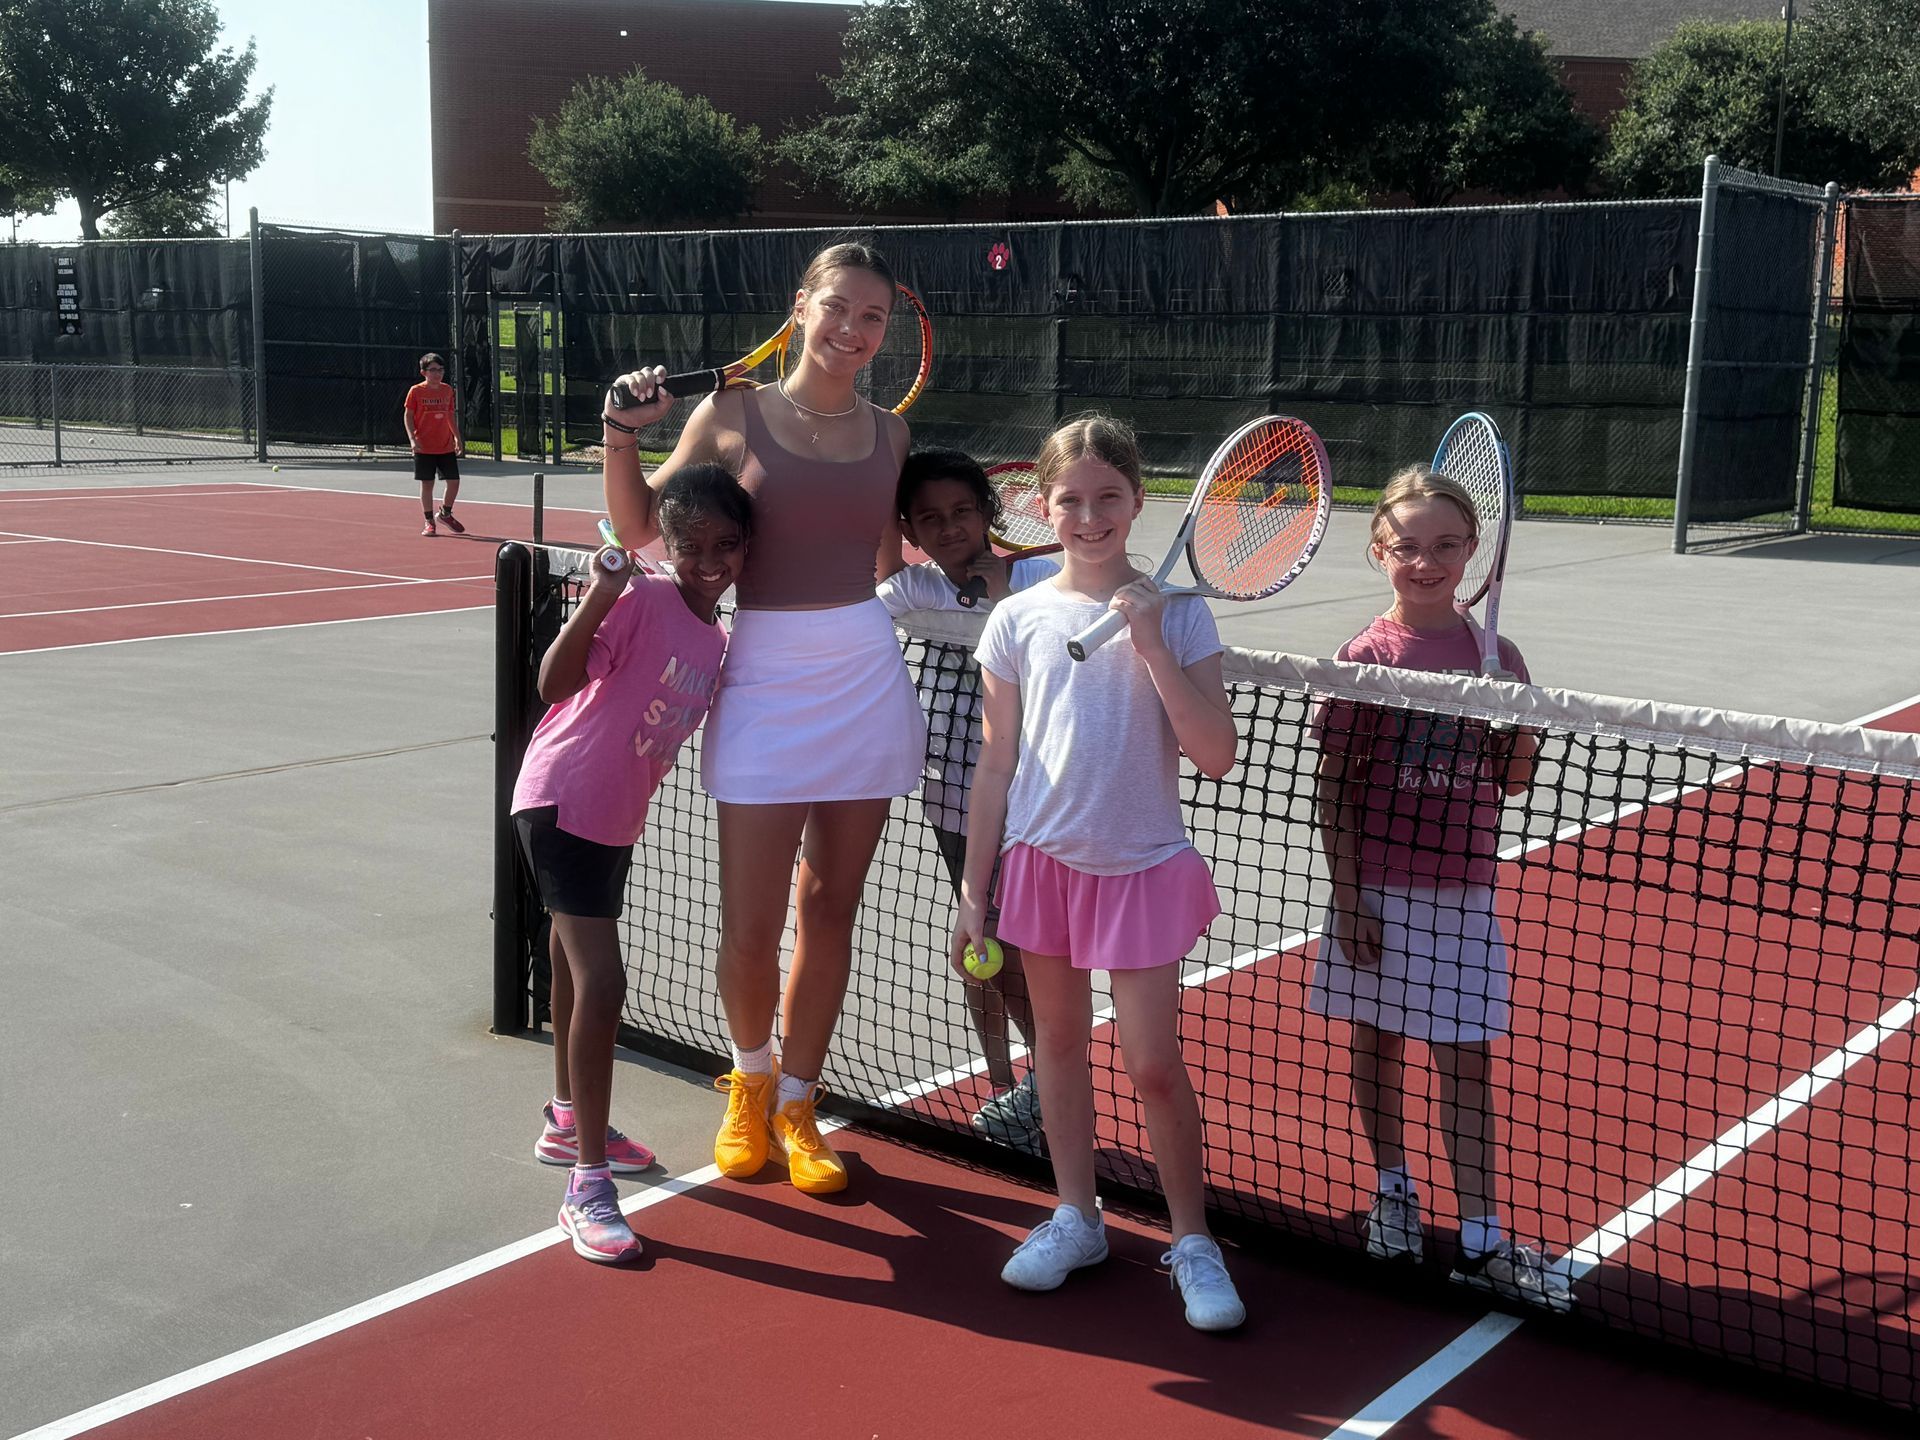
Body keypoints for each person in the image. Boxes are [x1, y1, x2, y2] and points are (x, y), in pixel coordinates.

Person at [602, 242, 920, 1196]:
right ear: (801, 307)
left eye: (872, 317)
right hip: (764, 682)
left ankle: (797, 1104)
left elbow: (890, 565)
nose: (852, 330)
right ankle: (747, 1081)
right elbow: (641, 529)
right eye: (838, 308)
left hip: (865, 681)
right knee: (750, 922)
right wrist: (621, 432)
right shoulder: (732, 413)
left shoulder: (893, 436)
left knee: (830, 909)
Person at [951, 414, 1247, 1332]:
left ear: (1138, 501)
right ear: (1041, 507)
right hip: (1042, 866)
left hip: (1143, 866)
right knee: (1059, 1050)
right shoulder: (1017, 617)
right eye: (1070, 500)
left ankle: (1192, 1240)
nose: (1089, 517)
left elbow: (1216, 754)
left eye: (1107, 497)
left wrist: (1152, 642)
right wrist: (974, 889)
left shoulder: (1181, 614)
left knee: (1154, 1065)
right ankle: (1076, 1217)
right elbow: (996, 762)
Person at [1311, 465, 1572, 1312]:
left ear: (1472, 553)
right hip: (1377, 891)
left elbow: (1514, 780)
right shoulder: (1366, 656)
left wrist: (1515, 719)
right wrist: (1348, 897)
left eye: (1445, 546)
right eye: (1408, 547)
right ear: (1379, 551)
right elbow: (1334, 789)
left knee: (1466, 1058)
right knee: (1377, 1043)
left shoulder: (1499, 654)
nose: (1426, 563)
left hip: (1463, 895)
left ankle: (1482, 1238)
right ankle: (1393, 1191)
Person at [512, 464, 750, 1262]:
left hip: (614, 818)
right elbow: (553, 684)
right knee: (604, 981)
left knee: (570, 962)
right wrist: (600, 597)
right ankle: (587, 1188)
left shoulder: (717, 641)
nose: (709, 561)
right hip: (562, 798)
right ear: (666, 545)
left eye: (726, 545)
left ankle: (568, 1119)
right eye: (691, 545)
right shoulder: (642, 600)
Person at [877, 447, 1054, 1155]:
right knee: (978, 953)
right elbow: (873, 601)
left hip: (1031, 807)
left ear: (988, 513)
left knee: (1020, 957)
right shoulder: (916, 588)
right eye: (929, 519)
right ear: (910, 530)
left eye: (961, 512)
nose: (949, 528)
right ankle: (1008, 1087)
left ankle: (1050, 1083)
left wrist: (1002, 596)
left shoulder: (1037, 578)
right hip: (952, 804)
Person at [404, 352, 464, 537]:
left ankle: (445, 513)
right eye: (433, 370)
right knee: (427, 483)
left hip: (445, 446)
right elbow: (408, 416)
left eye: (440, 370)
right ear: (424, 372)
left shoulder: (447, 390)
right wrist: (413, 439)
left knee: (454, 482)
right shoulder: (416, 391)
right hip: (424, 446)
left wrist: (457, 437)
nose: (437, 374)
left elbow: (449, 415)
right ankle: (429, 521)